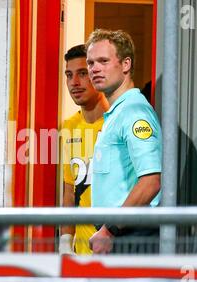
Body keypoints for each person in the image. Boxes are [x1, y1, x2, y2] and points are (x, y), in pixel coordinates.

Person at [85, 29, 163, 254]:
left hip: (129, 237)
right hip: (119, 234)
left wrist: (109, 231)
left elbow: (151, 182)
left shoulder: (134, 112)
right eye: (91, 63)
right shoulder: (118, 113)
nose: (94, 69)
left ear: (126, 64)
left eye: (103, 61)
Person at [59, 44, 109, 255]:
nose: (74, 83)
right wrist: (65, 243)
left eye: (82, 74)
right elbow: (69, 193)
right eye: (69, 75)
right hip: (81, 255)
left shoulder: (116, 123)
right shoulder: (68, 127)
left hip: (114, 249)